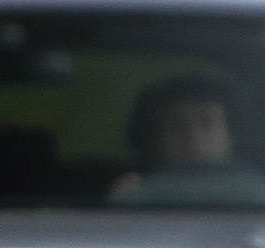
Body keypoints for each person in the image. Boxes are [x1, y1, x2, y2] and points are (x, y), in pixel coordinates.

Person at [111, 74, 265, 207]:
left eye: (207, 122)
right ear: (156, 140)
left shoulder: (259, 190)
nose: (193, 136)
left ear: (231, 134)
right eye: (178, 126)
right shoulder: (137, 195)